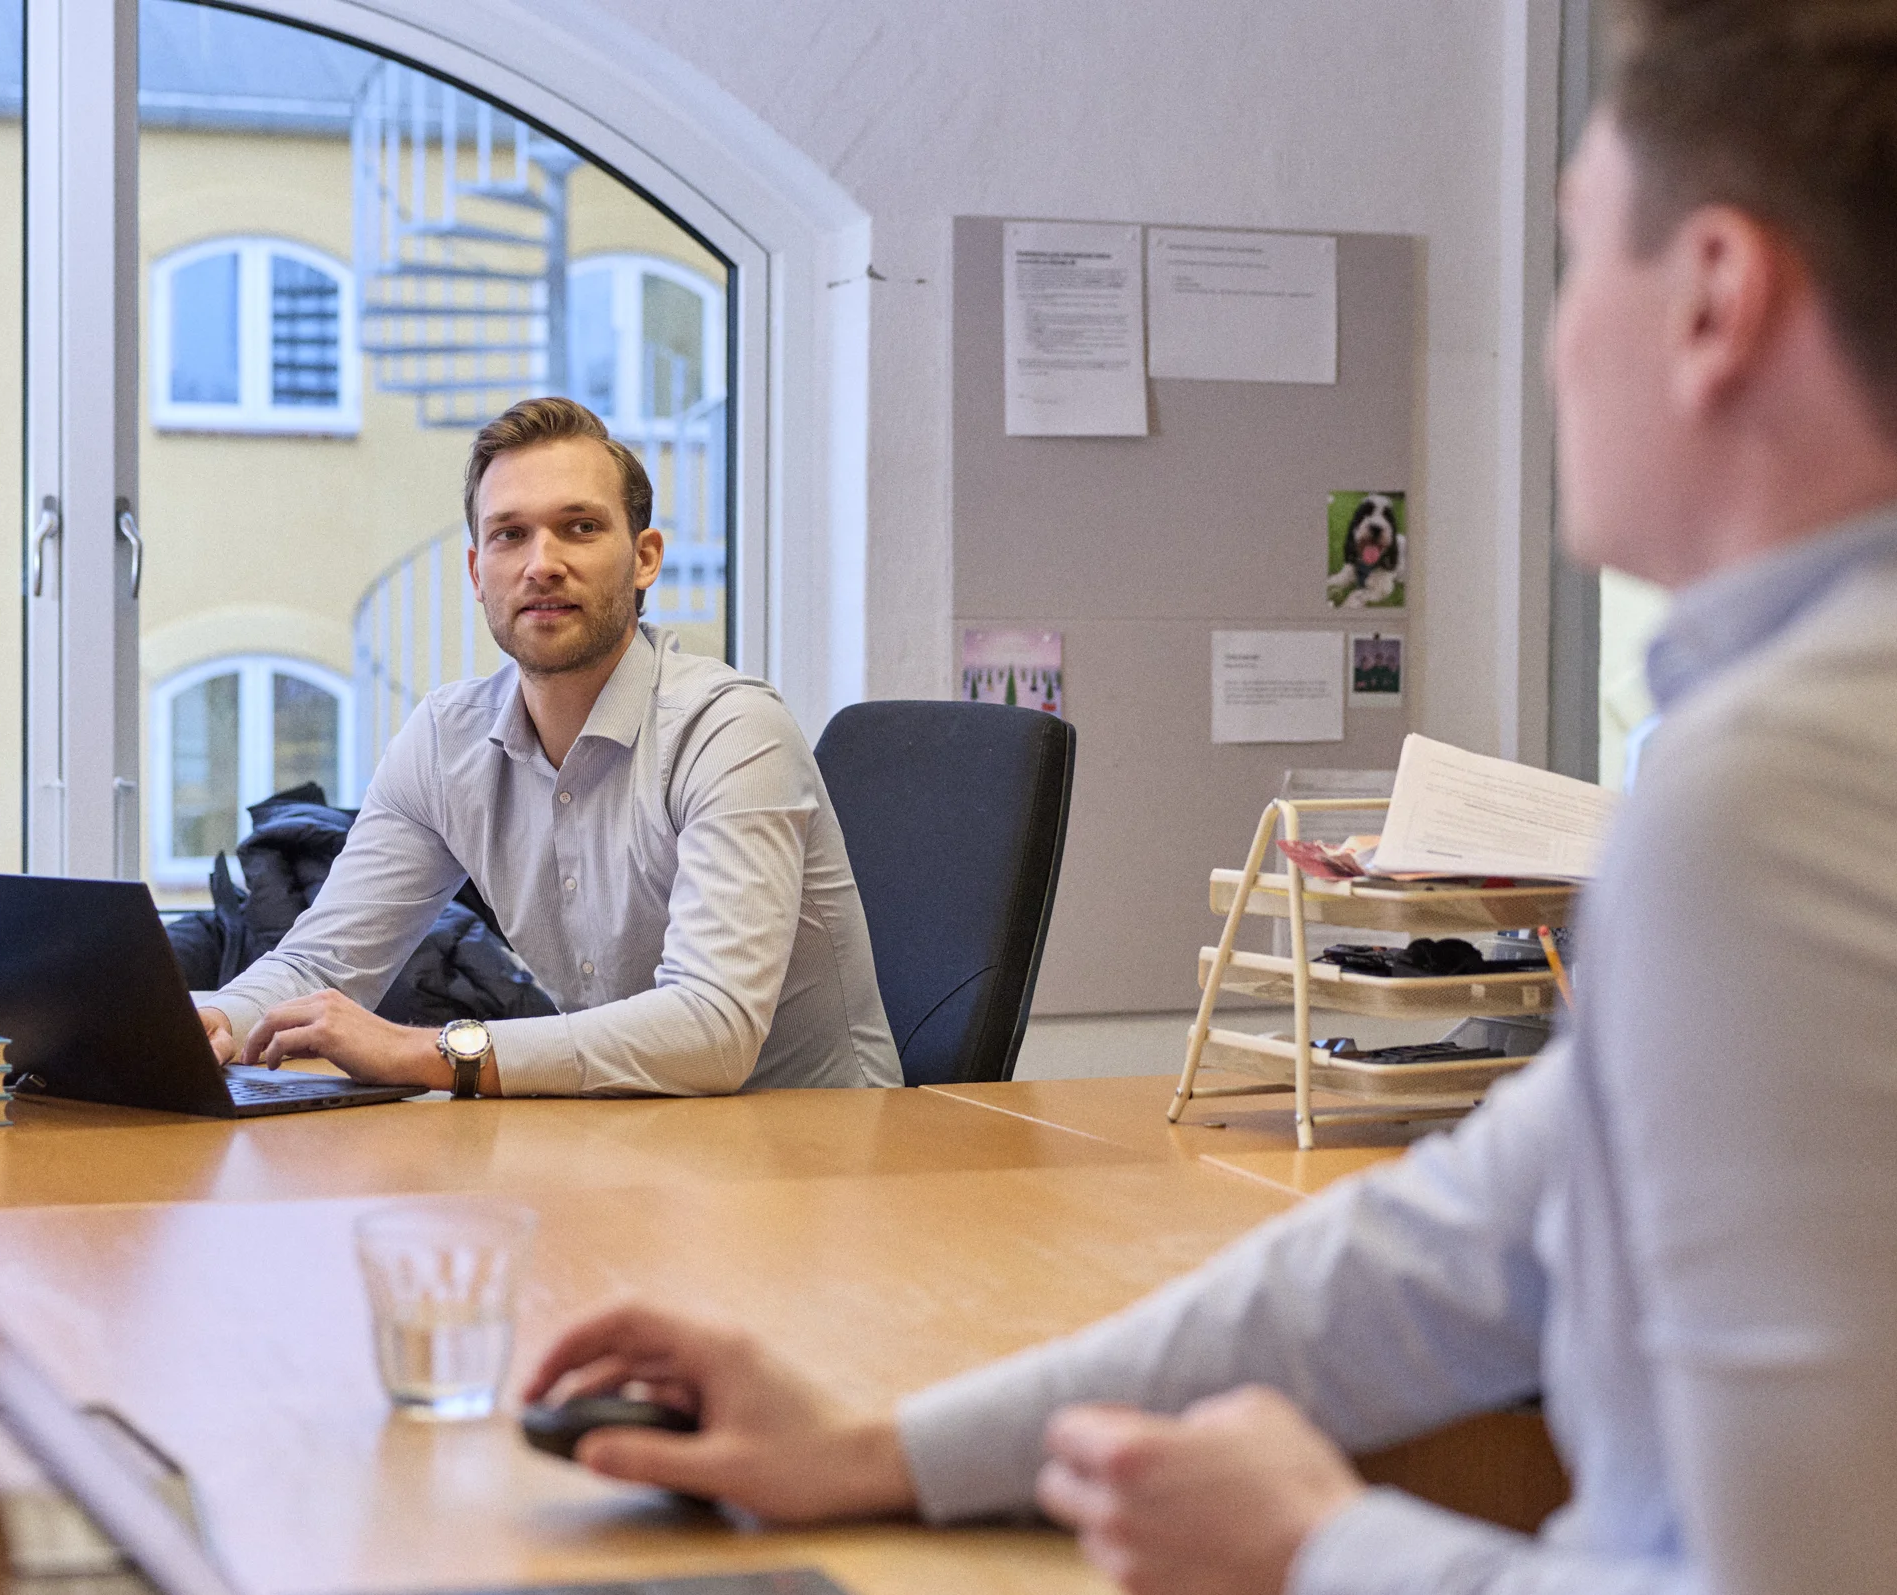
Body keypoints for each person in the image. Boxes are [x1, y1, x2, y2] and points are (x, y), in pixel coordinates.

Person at [522, 2, 1897, 1588]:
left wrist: (1326, 1547)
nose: (1556, 334)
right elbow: (1446, 1257)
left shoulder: (1787, 786)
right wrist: (878, 1446)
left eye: (1583, 253)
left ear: (1716, 300)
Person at [195, 397, 901, 1097]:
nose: (542, 563)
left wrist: (426, 1051)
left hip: (818, 1160)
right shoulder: (447, 743)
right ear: (477, 573)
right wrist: (214, 1016)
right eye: (510, 535)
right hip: (633, 1140)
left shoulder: (730, 732)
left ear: (645, 558)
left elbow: (711, 1028)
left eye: (580, 527)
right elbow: (323, 962)